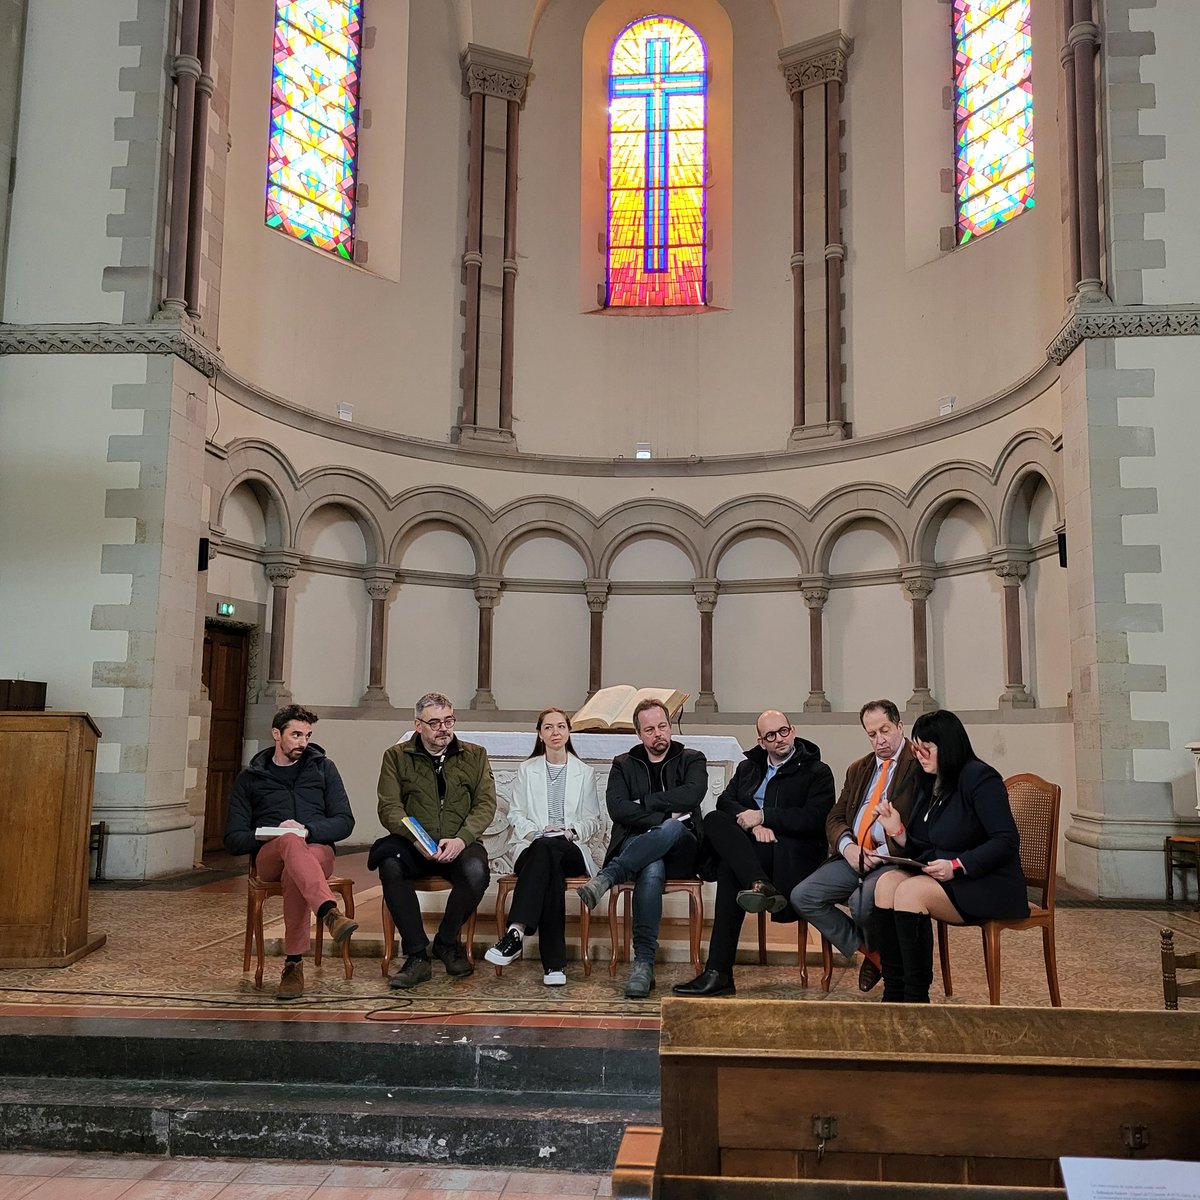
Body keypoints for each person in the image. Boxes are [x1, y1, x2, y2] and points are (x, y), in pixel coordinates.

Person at [673, 711, 834, 997]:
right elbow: (726, 802)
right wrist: (751, 826)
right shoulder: (749, 768)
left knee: (728, 868)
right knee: (713, 819)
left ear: (793, 730)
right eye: (770, 736)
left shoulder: (817, 771)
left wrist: (764, 817)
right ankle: (759, 884)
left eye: (783, 731)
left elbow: (815, 818)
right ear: (761, 741)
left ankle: (718, 973)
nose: (779, 740)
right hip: (751, 849)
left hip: (791, 852)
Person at [872, 709, 1026, 1003]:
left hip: (988, 881)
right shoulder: (930, 781)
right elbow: (928, 845)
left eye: (926, 748)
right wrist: (898, 831)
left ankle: (916, 998)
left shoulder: (980, 778)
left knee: (909, 891)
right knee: (886, 883)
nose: (920, 755)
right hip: (950, 877)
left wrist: (958, 865)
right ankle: (894, 992)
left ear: (949, 745)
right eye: (917, 748)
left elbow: (1006, 840)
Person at [224, 704, 358, 1001]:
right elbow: (233, 838)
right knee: (288, 842)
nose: (303, 742)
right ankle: (329, 912)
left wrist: (307, 830)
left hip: (317, 851)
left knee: (295, 868)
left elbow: (345, 821)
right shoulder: (252, 778)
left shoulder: (323, 768)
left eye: (307, 735)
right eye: (296, 734)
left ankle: (294, 964)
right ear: (276, 734)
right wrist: (273, 834)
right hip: (270, 854)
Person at [576, 699, 706, 999]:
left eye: (662, 726)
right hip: (640, 850)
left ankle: (608, 877)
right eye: (650, 729)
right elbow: (617, 808)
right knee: (651, 864)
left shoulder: (692, 758)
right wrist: (665, 815)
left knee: (674, 829)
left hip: (683, 850)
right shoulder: (624, 763)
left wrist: (646, 804)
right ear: (638, 734)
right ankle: (643, 965)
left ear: (669, 727)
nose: (658, 734)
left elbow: (692, 794)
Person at [789, 699, 922, 992]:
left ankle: (888, 960)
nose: (880, 740)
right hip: (854, 855)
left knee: (861, 905)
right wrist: (848, 847)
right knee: (803, 896)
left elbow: (923, 823)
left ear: (900, 726)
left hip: (892, 858)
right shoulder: (859, 768)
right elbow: (836, 816)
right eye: (872, 734)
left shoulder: (919, 764)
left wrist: (884, 851)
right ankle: (876, 955)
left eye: (885, 730)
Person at [369, 692, 497, 990]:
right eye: (435, 722)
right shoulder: (396, 756)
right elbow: (389, 806)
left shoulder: (474, 755)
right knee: (390, 866)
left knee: (477, 873)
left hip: (458, 841)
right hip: (413, 842)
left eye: (449, 720)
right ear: (418, 725)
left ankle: (446, 942)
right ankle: (416, 955)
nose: (444, 728)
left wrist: (462, 839)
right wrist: (417, 839)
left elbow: (485, 804)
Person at [485, 707, 604, 985]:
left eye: (561, 726)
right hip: (531, 845)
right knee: (545, 857)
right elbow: (516, 814)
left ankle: (516, 932)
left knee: (550, 850)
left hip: (570, 848)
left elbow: (592, 820)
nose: (555, 732)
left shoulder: (583, 772)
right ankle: (554, 967)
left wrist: (569, 832)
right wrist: (538, 834)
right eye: (548, 727)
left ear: (569, 731)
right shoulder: (528, 770)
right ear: (540, 734)